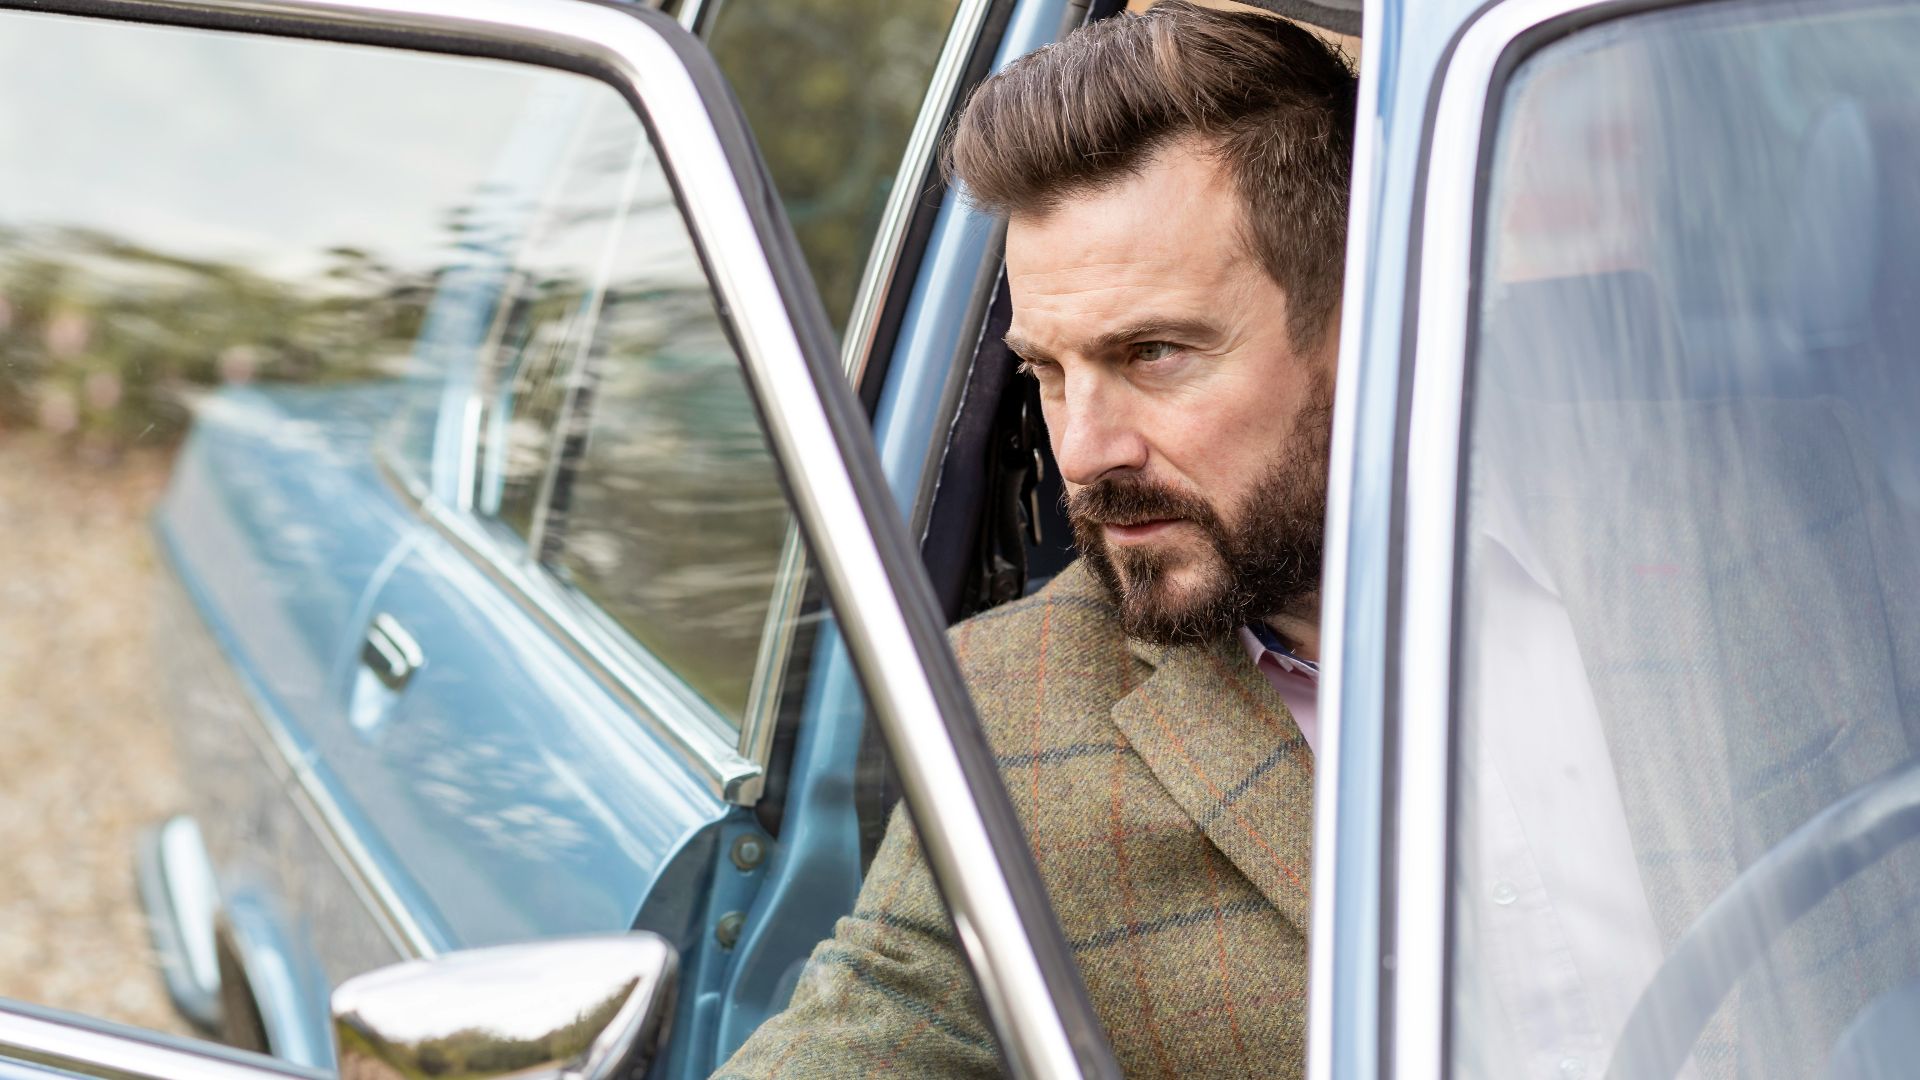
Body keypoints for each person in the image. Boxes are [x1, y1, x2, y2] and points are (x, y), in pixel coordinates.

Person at [716, 4, 1356, 1076]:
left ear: (1366, 324)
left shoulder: (1711, 564)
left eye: (1153, 352)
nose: (1084, 451)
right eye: (1047, 374)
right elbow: (878, 1019)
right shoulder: (1014, 712)